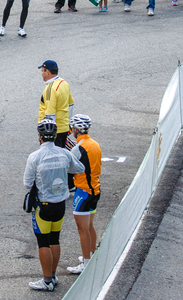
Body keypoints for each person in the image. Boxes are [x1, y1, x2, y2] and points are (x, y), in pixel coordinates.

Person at [24, 119, 85, 291]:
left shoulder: (34, 157)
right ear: (56, 135)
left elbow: (27, 183)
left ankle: (47, 281)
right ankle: (53, 275)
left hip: (43, 205)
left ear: (39, 136)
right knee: (55, 239)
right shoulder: (64, 154)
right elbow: (79, 168)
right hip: (60, 204)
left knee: (43, 242)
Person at [66, 115, 102, 275]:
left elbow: (69, 167)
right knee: (90, 225)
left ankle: (86, 263)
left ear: (75, 129)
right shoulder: (95, 144)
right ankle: (92, 255)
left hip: (83, 191)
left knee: (82, 229)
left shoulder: (78, 148)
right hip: (95, 189)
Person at [37, 60, 74, 149]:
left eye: (43, 71)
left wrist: (49, 135)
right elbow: (71, 104)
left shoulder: (50, 89)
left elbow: (50, 115)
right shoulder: (64, 83)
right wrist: (67, 124)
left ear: (48, 72)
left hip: (54, 132)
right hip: (64, 128)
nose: (42, 74)